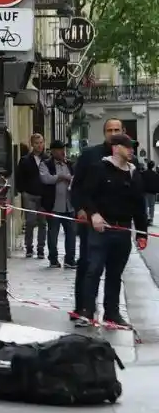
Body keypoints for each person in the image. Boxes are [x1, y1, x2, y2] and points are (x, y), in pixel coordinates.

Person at [75, 133, 150, 329]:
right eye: (128, 147)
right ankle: (87, 311)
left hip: (123, 229)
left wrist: (142, 234)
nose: (131, 150)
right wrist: (93, 214)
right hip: (101, 229)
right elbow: (85, 194)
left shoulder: (134, 173)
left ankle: (112, 313)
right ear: (116, 148)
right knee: (94, 269)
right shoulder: (99, 168)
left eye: (132, 147)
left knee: (115, 274)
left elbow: (139, 206)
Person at [70, 119, 125, 322]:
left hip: (118, 224)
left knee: (114, 270)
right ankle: (83, 308)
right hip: (92, 222)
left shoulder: (127, 158)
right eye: (109, 130)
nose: (113, 133)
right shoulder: (90, 155)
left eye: (116, 130)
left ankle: (112, 312)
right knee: (88, 265)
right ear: (104, 133)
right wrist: (81, 209)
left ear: (123, 132)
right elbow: (76, 187)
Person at [40, 140, 77, 269]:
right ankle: (53, 259)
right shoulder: (46, 164)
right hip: (53, 205)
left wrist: (71, 179)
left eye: (63, 149)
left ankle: (70, 259)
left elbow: (76, 179)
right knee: (52, 234)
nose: (63, 152)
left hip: (69, 205)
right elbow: (46, 179)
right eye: (60, 150)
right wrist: (61, 177)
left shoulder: (70, 164)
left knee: (71, 233)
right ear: (53, 151)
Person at [16, 133, 49, 259]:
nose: (39, 145)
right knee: (30, 222)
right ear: (32, 144)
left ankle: (40, 248)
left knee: (42, 222)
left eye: (41, 142)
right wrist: (22, 191)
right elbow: (19, 178)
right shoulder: (25, 160)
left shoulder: (47, 159)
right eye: (37, 143)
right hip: (29, 194)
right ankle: (29, 247)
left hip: (43, 196)